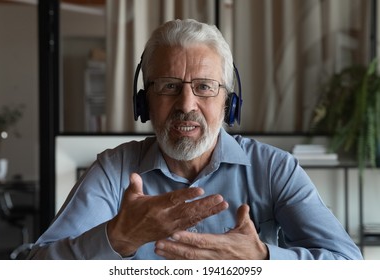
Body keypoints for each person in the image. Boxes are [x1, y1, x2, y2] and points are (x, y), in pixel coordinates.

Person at [28, 19, 362, 260]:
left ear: (228, 104)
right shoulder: (114, 170)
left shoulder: (275, 169)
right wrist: (117, 237)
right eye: (169, 86)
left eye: (204, 87)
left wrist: (262, 260)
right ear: (144, 103)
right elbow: (34, 267)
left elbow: (348, 264)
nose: (186, 105)